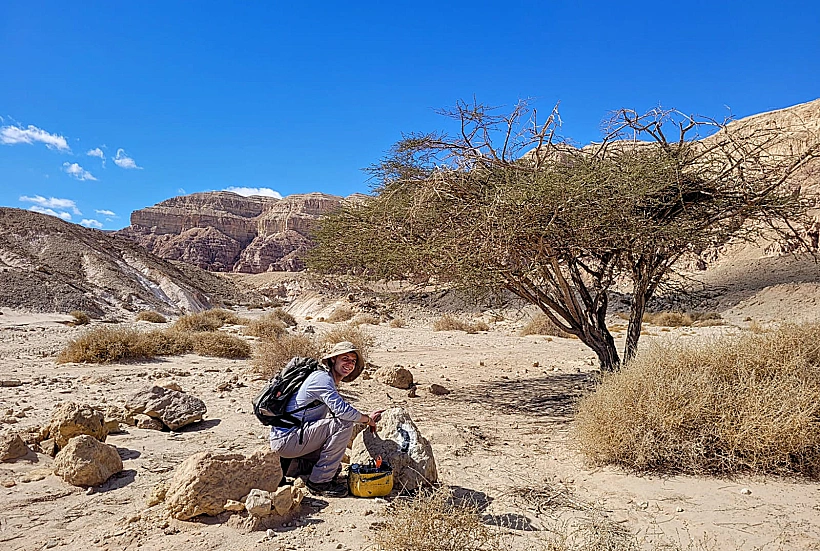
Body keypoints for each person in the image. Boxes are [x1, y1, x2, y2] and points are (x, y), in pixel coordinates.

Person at [268, 341, 383, 497]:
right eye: (345, 358)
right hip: (288, 441)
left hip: (291, 440)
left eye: (353, 361)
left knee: (335, 468)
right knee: (344, 424)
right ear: (334, 359)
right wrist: (367, 419)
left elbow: (339, 409)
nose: (349, 364)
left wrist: (365, 416)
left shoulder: (324, 378)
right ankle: (319, 483)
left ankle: (295, 468)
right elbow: (342, 412)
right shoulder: (322, 379)